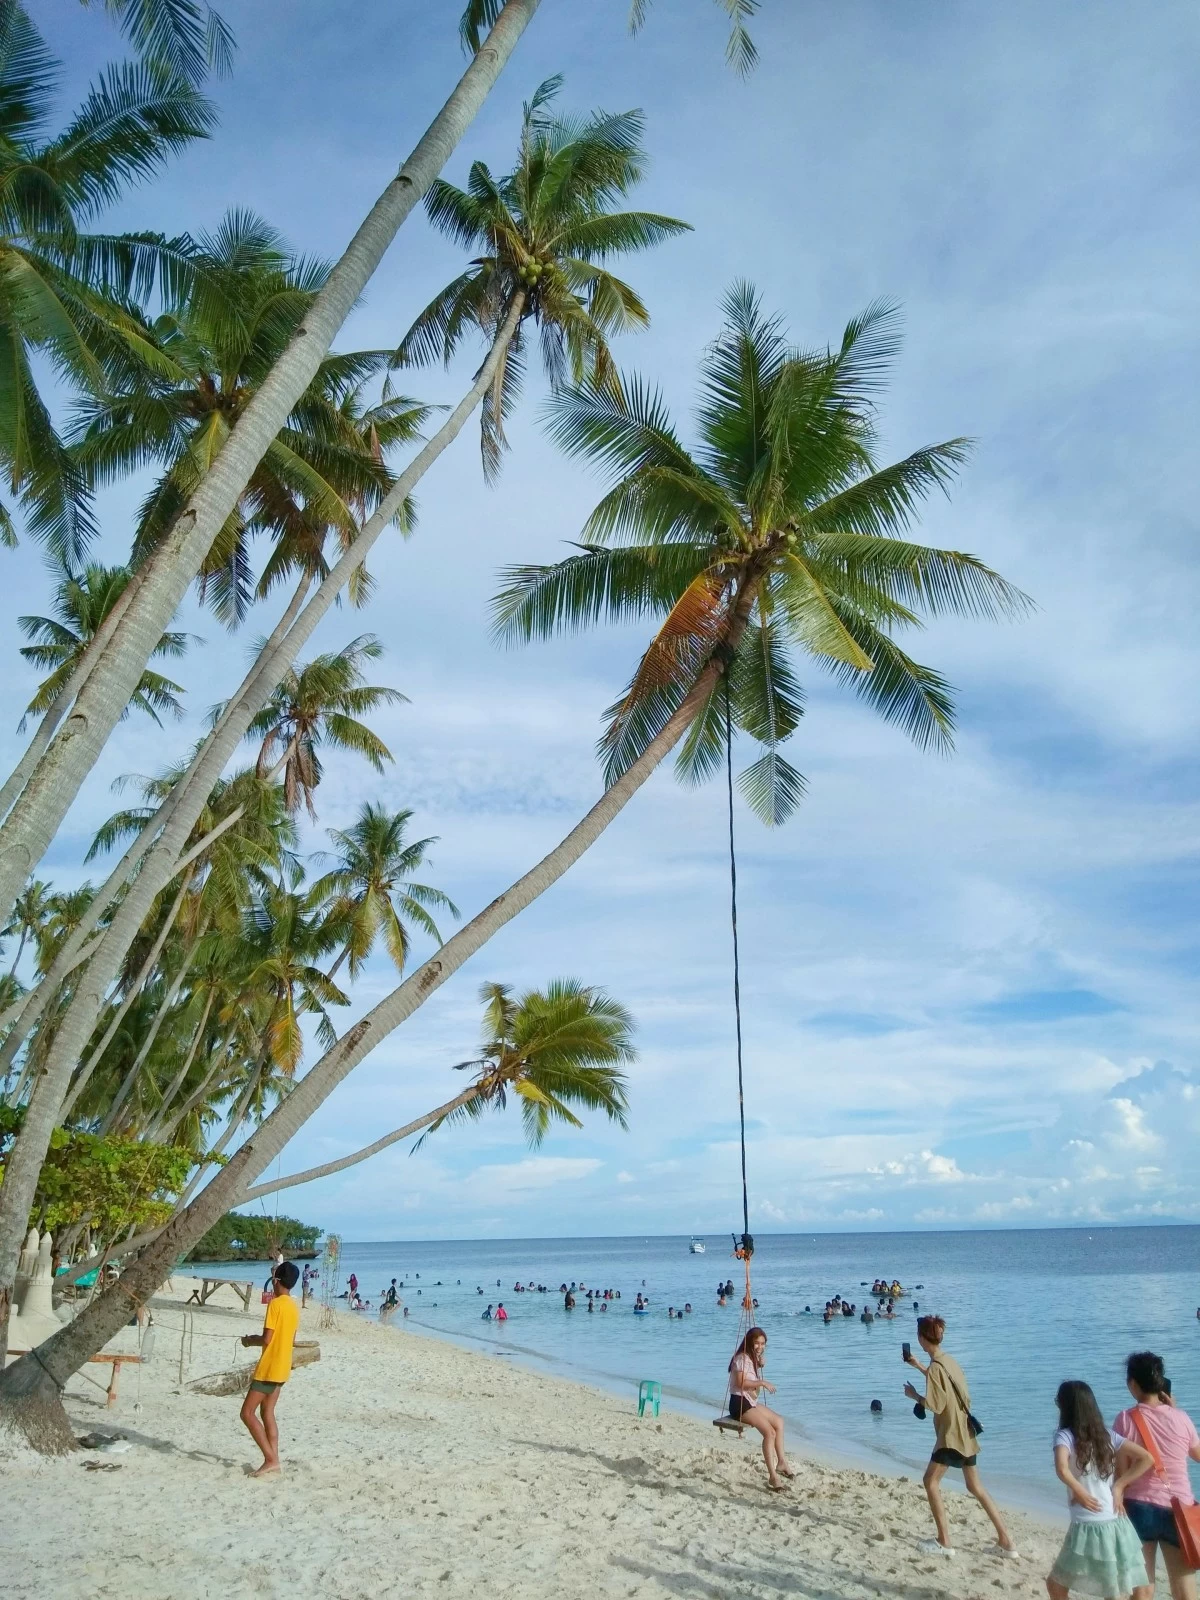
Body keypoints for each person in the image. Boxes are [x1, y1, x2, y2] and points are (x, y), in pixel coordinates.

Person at [903, 1313, 1016, 1558]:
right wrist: (919, 1366)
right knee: (975, 1486)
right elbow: (948, 1386)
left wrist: (914, 1396)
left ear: (922, 1338)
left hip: (950, 1435)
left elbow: (935, 1404)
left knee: (930, 1482)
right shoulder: (948, 1361)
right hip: (966, 1431)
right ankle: (1006, 1542)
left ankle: (944, 1541)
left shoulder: (936, 1367)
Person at [1046, 1379, 1152, 1600]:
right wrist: (1119, 1487)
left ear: (1065, 1406)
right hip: (1117, 1522)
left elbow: (1061, 1469)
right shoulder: (1106, 1435)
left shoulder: (1064, 1435)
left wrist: (1079, 1489)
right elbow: (1146, 1458)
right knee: (1117, 1587)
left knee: (1056, 1586)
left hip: (1088, 1525)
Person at [1113, 1351, 1200, 1600]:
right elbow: (1198, 1455)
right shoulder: (1182, 1418)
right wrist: (1175, 1411)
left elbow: (1121, 1471)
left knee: (1142, 1588)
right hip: (1180, 1509)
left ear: (1133, 1384)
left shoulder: (1124, 1419)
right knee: (1185, 1589)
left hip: (1139, 1507)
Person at [239, 1261, 300, 1477]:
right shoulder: (293, 1306)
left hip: (270, 1367)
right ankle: (274, 1458)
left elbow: (267, 1338)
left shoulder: (275, 1304)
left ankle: (270, 1459)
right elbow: (291, 1339)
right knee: (267, 1412)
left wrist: (248, 1340)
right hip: (283, 1366)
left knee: (246, 1413)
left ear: (277, 1281)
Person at [727, 1327, 793, 1493]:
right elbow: (741, 1383)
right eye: (756, 1343)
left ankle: (782, 1462)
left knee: (779, 1421)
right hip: (739, 1403)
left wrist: (759, 1361)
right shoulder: (741, 1358)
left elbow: (752, 1372)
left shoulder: (751, 1357)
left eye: (762, 1343)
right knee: (769, 1432)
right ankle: (772, 1476)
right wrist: (762, 1383)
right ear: (750, 1342)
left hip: (749, 1400)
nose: (760, 1346)